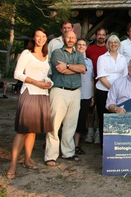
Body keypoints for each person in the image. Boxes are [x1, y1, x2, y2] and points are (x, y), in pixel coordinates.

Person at [6, 28, 53, 179]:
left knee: (32, 130)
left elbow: (46, 75)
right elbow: (17, 74)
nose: (41, 39)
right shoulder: (27, 53)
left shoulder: (46, 55)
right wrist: (35, 82)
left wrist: (48, 83)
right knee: (22, 131)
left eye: (43, 36)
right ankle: (13, 164)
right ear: (33, 38)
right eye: (38, 36)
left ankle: (27, 159)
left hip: (42, 95)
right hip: (30, 93)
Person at [45, 31, 86, 166]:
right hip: (59, 91)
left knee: (70, 124)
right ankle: (51, 155)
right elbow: (60, 70)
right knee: (54, 123)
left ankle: (68, 152)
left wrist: (68, 66)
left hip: (75, 92)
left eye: (73, 37)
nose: (70, 39)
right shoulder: (57, 52)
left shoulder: (79, 54)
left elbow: (83, 69)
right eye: (68, 37)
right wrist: (75, 69)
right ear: (63, 38)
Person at [95, 35, 128, 145]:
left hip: (119, 92)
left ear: (119, 44)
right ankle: (104, 145)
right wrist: (112, 89)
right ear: (108, 44)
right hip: (103, 91)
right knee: (104, 118)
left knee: (116, 118)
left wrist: (119, 91)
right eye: (111, 42)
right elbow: (101, 76)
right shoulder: (102, 58)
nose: (113, 44)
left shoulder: (123, 58)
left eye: (116, 42)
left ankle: (115, 143)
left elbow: (125, 75)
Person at [85, 27, 108, 144]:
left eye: (103, 35)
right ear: (95, 36)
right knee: (90, 109)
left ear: (106, 36)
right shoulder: (89, 49)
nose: (101, 37)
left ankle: (99, 132)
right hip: (90, 82)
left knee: (100, 109)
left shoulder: (108, 49)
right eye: (99, 34)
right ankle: (90, 131)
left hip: (103, 84)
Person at [73, 39, 95, 155]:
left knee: (81, 121)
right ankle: (67, 145)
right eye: (79, 44)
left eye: (83, 45)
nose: (81, 46)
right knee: (70, 121)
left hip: (86, 95)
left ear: (86, 47)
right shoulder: (72, 59)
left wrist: (92, 95)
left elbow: (91, 79)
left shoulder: (89, 62)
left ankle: (76, 146)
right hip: (73, 93)